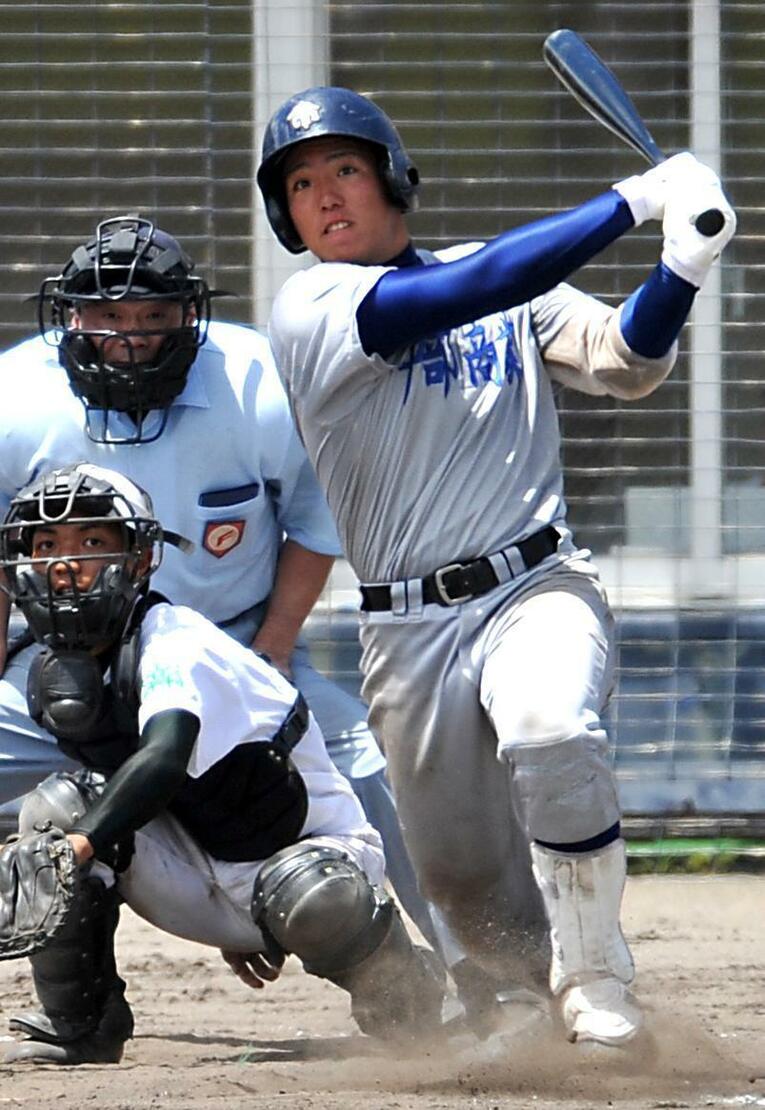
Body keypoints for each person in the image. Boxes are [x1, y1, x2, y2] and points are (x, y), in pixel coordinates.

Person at [255, 85, 737, 1048]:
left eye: (345, 168)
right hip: (405, 629)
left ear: (392, 177)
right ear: (287, 216)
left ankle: (597, 978)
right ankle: (520, 1009)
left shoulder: (501, 279)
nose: (326, 195)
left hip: (533, 583)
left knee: (550, 726)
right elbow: (459, 293)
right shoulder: (312, 306)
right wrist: (631, 201)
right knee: (471, 894)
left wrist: (681, 263)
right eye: (301, 185)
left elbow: (625, 360)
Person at [0, 213, 444, 958]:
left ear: (187, 315)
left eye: (153, 316)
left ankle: (479, 967)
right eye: (109, 316)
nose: (131, 335)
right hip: (60, 663)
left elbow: (313, 523)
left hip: (232, 656)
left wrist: (275, 647)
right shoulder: (14, 395)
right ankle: (77, 1008)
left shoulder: (259, 382)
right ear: (70, 316)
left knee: (368, 761)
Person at [0, 463, 446, 1065]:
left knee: (311, 895)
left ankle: (415, 1008)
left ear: (139, 560)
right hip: (197, 867)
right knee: (55, 809)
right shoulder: (55, 670)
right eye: (46, 545)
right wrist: (71, 844)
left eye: (93, 542)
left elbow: (163, 759)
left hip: (308, 864)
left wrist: (78, 849)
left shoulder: (176, 641)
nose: (65, 563)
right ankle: (81, 1025)